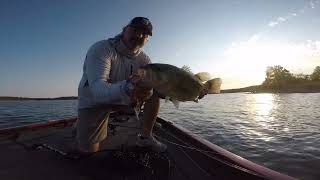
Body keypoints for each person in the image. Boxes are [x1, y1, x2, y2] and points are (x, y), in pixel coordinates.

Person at [76, 17, 167, 153]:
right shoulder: (101, 48)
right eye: (135, 29)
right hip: (93, 102)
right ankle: (80, 125)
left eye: (144, 33)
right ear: (125, 29)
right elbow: (97, 90)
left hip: (126, 99)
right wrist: (128, 88)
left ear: (147, 39)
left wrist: (168, 90)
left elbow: (152, 86)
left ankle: (145, 137)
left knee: (154, 92)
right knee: (88, 153)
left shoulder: (145, 59)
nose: (138, 35)